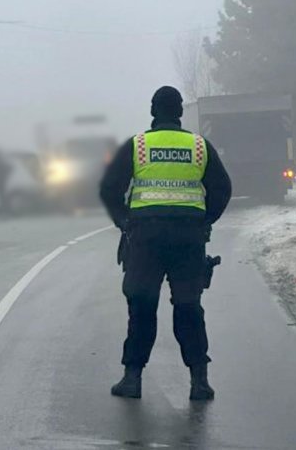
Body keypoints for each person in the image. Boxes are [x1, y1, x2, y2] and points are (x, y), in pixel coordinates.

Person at [99, 86, 232, 400]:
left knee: (142, 306)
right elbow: (222, 189)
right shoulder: (200, 147)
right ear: (181, 113)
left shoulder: (138, 145)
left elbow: (109, 189)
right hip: (188, 240)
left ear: (153, 111)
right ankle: (199, 382)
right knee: (188, 307)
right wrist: (204, 221)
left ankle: (132, 379)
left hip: (145, 239)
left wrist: (124, 221)